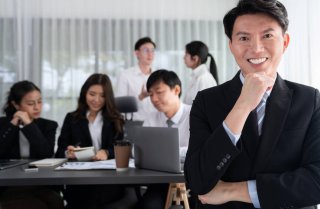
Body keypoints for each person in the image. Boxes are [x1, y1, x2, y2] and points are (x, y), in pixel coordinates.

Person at [184, 0, 320, 209]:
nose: (256, 48)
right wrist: (243, 105)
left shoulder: (310, 101)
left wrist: (233, 190)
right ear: (231, 45)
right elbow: (197, 180)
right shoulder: (207, 101)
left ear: (284, 42)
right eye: (244, 38)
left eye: (267, 36)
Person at [55, 73, 125, 209]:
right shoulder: (71, 118)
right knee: (83, 197)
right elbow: (59, 151)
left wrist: (106, 152)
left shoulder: (115, 119)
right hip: (79, 179)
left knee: (93, 198)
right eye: (92, 94)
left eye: (102, 96)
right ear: (84, 93)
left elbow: (121, 148)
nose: (96, 100)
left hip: (108, 180)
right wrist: (67, 153)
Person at [0, 81, 64, 209]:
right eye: (30, 103)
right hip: (11, 186)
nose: (37, 107)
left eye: (39, 102)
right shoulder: (3, 125)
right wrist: (13, 124)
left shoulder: (49, 125)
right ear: (16, 104)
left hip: (41, 183)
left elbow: (46, 153)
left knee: (55, 201)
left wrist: (29, 124)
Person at [134, 69, 191, 209]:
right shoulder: (151, 118)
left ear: (176, 90)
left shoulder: (194, 115)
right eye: (151, 94)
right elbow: (138, 152)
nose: (153, 99)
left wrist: (163, 154)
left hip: (191, 182)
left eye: (159, 92)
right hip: (160, 183)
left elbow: (197, 151)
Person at [115, 36, 157, 121]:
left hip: (157, 123)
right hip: (134, 124)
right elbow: (119, 106)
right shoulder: (125, 75)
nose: (150, 54)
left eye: (152, 50)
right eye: (146, 50)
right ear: (137, 53)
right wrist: (140, 97)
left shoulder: (158, 76)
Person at [183, 40, 218, 105]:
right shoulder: (197, 76)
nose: (184, 57)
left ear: (195, 58)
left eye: (186, 54)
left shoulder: (204, 78)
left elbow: (204, 107)